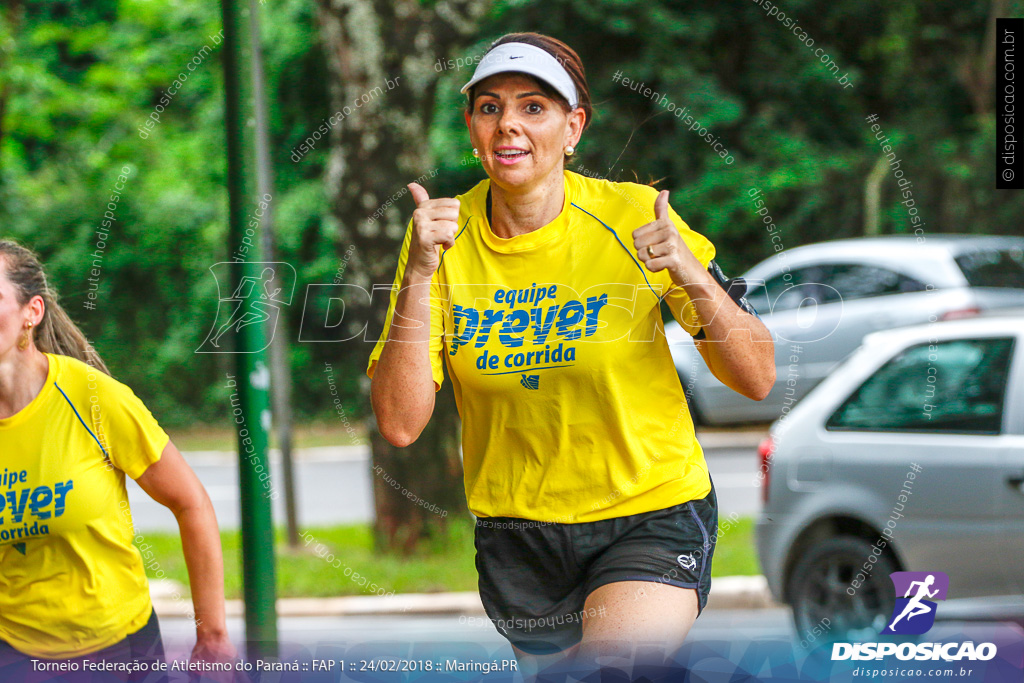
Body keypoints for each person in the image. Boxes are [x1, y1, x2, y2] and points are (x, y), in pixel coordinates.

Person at [366, 32, 775, 676]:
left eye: (534, 107)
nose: (509, 126)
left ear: (573, 127)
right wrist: (418, 273)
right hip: (518, 534)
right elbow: (400, 421)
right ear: (472, 127)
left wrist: (691, 274)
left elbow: (757, 376)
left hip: (648, 509)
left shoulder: (634, 216)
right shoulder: (440, 242)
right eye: (490, 107)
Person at [0, 239, 236, 682]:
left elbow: (191, 504)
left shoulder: (92, 399)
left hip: (120, 650)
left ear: (31, 313)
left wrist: (213, 636)